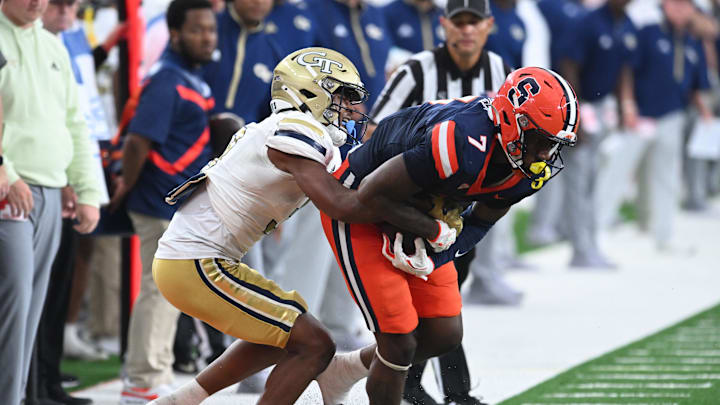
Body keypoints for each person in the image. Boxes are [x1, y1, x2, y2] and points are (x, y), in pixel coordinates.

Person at [147, 47, 451, 405]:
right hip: (196, 263)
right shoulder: (296, 128)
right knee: (314, 344)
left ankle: (179, 400)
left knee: (283, 333)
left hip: (196, 260)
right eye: (341, 97)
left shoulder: (296, 131)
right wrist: (426, 226)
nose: (350, 109)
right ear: (308, 91)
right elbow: (342, 204)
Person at [315, 66, 579, 405]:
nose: (545, 155)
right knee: (399, 341)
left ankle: (345, 369)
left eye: (554, 144)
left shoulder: (526, 173)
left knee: (443, 334)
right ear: (515, 123)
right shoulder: (460, 139)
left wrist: (437, 253)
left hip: (414, 207)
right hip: (356, 205)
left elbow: (480, 223)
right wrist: (432, 230)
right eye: (541, 141)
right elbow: (370, 195)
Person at [369, 0, 513, 402]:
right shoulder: (417, 69)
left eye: (474, 23)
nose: (466, 31)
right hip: (411, 203)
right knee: (428, 302)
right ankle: (433, 388)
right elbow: (375, 131)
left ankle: (435, 388)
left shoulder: (500, 71)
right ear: (443, 25)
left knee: (445, 301)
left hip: (463, 211)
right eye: (459, 22)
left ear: (488, 25)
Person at [108, 0, 218, 402]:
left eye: (211, 29)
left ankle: (152, 372)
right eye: (197, 30)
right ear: (174, 34)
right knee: (159, 288)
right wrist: (124, 187)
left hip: (174, 201)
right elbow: (139, 140)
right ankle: (141, 378)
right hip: (157, 198)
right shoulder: (168, 79)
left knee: (168, 289)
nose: (207, 37)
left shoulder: (190, 77)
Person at [0, 0, 102, 402]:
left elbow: (75, 122)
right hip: (12, 191)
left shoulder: (53, 46)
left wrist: (88, 190)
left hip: (48, 191)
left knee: (27, 312)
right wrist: (6, 172)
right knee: (14, 302)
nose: (39, 2)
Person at [558, 0, 638, 269]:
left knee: (593, 180)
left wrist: (625, 105)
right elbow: (568, 66)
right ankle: (581, 249)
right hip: (582, 106)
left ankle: (590, 244)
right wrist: (574, 114)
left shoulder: (627, 24)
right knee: (579, 182)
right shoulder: (587, 22)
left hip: (605, 110)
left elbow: (625, 69)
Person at [308, 0, 393, 108]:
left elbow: (385, 60)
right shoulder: (311, 9)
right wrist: (343, 98)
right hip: (338, 109)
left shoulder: (375, 12)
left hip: (378, 107)